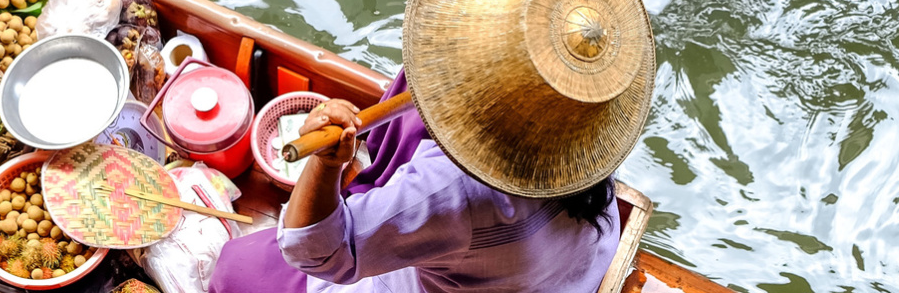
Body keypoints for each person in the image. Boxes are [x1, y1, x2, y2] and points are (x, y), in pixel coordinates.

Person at [207, 72, 620, 292]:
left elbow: (314, 252)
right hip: (559, 274)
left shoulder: (456, 188)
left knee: (235, 267)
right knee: (416, 82)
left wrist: (327, 165)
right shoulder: (587, 137)